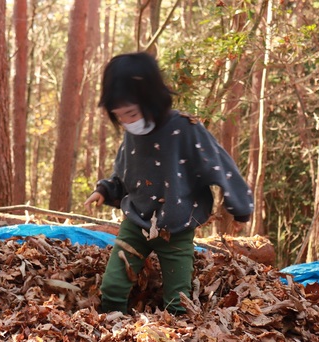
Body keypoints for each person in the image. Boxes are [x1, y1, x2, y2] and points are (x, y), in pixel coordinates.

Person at [84, 52, 254, 315]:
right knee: (113, 288)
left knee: (177, 300)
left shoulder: (185, 129)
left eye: (131, 113)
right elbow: (125, 174)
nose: (128, 122)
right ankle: (110, 329)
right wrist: (105, 190)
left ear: (151, 99)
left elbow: (221, 167)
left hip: (177, 227)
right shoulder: (132, 134)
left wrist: (240, 208)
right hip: (136, 223)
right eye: (120, 116)